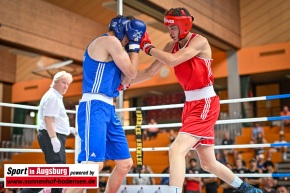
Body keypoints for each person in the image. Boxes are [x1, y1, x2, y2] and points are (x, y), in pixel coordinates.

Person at [131, 7, 262, 193]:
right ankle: (247, 189)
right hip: (191, 105)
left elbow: (173, 61)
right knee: (208, 163)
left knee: (176, 150)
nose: (170, 32)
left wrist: (148, 48)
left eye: (173, 28)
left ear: (184, 26)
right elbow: (149, 72)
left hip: (205, 102)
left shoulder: (199, 41)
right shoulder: (170, 46)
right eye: (168, 28)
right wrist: (122, 83)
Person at [66, 15, 147, 193]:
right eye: (128, 37)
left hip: (108, 108)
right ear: (123, 30)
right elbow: (132, 72)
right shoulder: (109, 41)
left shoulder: (114, 53)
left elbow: (133, 77)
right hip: (94, 105)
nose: (127, 42)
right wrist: (135, 46)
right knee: (94, 166)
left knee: (125, 164)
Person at [19, 71, 74, 193]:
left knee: (57, 171)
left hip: (53, 134)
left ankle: (26, 192)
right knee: (57, 169)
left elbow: (53, 118)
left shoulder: (55, 96)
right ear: (55, 82)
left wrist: (66, 129)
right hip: (51, 135)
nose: (66, 86)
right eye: (64, 83)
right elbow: (48, 119)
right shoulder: (53, 97)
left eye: (68, 84)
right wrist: (54, 138)